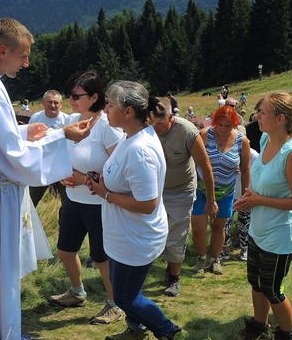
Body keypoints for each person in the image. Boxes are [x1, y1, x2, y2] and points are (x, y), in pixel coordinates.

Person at [0, 18, 91, 340]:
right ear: (2, 51)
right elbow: (15, 157)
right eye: (23, 56)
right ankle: (2, 333)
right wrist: (61, 135)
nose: (27, 64)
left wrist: (26, 130)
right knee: (0, 271)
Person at [86, 80, 181, 340]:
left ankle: (166, 329)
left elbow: (148, 204)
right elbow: (125, 181)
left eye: (110, 104)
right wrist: (102, 181)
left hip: (137, 237)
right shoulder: (131, 138)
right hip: (124, 234)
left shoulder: (140, 150)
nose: (105, 109)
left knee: (125, 297)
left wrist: (105, 193)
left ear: (128, 112)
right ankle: (135, 329)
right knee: (125, 290)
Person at [47, 71, 125, 325]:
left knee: (102, 258)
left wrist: (84, 178)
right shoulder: (70, 121)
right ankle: (78, 291)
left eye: (76, 95)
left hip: (98, 203)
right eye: (69, 94)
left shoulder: (107, 127)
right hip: (73, 199)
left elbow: (119, 169)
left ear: (94, 97)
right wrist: (62, 175)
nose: (71, 100)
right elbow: (61, 154)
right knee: (65, 250)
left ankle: (115, 304)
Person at [234, 92, 292, 340]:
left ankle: (286, 333)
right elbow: (264, 181)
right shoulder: (265, 139)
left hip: (280, 234)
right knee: (255, 282)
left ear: (280, 119)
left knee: (272, 288)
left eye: (263, 112)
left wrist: (258, 200)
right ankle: (259, 324)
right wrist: (250, 195)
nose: (258, 116)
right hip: (259, 228)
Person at [149, 97, 216, 297]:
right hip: (155, 191)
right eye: (152, 122)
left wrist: (211, 201)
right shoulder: (145, 129)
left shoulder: (187, 132)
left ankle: (175, 278)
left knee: (176, 235)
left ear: (172, 117)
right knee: (157, 233)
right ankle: (169, 266)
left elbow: (206, 167)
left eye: (160, 123)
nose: (156, 127)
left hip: (181, 191)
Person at [191, 105, 250, 275]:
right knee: (197, 226)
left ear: (235, 125)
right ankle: (201, 257)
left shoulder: (241, 140)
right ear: (214, 122)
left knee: (219, 227)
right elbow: (194, 161)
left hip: (225, 191)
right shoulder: (204, 135)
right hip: (202, 189)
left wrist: (246, 192)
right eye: (220, 125)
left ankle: (215, 259)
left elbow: (245, 169)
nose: (223, 129)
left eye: (228, 126)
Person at [27, 89, 69, 207]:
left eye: (56, 103)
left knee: (66, 203)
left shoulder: (67, 120)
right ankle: (27, 224)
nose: (53, 105)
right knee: (31, 200)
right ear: (43, 102)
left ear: (61, 104)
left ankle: (62, 225)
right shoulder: (36, 117)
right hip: (41, 166)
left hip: (61, 166)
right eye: (50, 102)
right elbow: (28, 139)